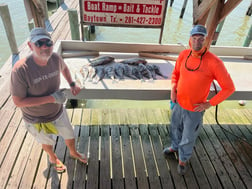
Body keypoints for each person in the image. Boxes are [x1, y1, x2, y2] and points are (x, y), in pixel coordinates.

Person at [10, 27, 87, 173]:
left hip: (58, 111)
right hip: (35, 119)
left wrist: (71, 83)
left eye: (48, 42)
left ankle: (73, 152)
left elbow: (64, 68)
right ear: (30, 46)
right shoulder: (20, 69)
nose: (44, 46)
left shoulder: (55, 58)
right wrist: (51, 98)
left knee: (69, 134)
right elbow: (18, 102)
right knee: (46, 142)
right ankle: (53, 158)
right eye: (39, 43)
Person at [163, 25, 235, 175]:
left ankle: (183, 159)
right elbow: (175, 73)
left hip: (195, 109)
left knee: (189, 136)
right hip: (178, 103)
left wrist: (209, 103)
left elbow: (229, 88)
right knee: (175, 128)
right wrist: (173, 89)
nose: (197, 42)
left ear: (206, 40)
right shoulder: (183, 54)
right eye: (194, 38)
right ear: (190, 39)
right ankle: (175, 146)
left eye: (201, 39)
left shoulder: (215, 62)